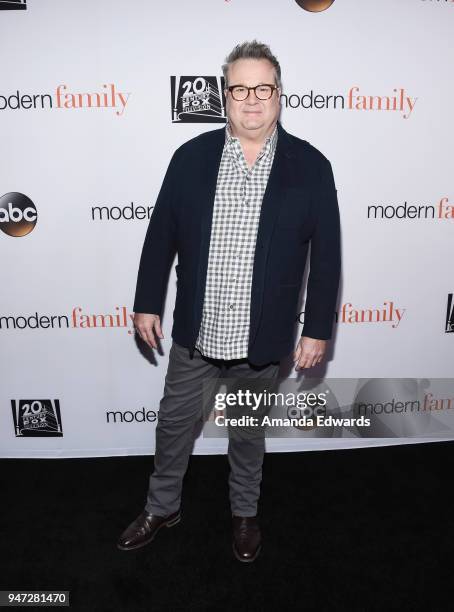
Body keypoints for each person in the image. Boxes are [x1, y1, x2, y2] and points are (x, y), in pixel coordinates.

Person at [117, 40, 341, 562]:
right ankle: (162, 506)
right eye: (241, 88)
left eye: (264, 88)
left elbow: (326, 257)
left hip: (261, 338)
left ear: (280, 95)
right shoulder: (190, 158)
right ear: (225, 96)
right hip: (198, 330)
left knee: (246, 434)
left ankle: (244, 513)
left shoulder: (312, 166)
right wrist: (147, 301)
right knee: (174, 426)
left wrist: (317, 331)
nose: (253, 100)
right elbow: (160, 237)